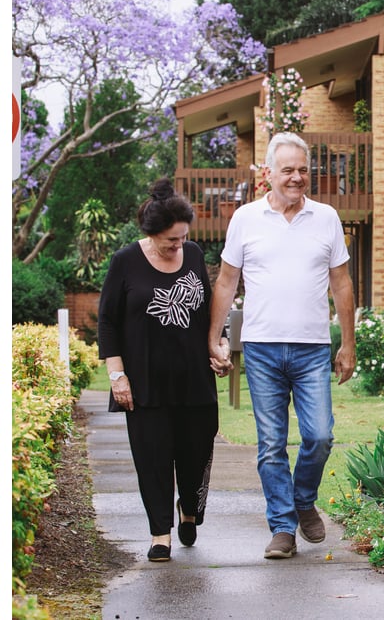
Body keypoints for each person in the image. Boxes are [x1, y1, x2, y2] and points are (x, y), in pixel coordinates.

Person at [208, 131, 357, 560]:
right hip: (262, 348)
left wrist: (348, 343)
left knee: (320, 436)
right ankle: (282, 528)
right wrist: (214, 337)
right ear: (268, 173)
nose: (296, 177)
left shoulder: (326, 217)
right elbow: (226, 282)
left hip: (312, 349)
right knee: (271, 444)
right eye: (288, 170)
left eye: (303, 170)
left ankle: (303, 499)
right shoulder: (245, 219)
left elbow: (342, 283)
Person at [98, 178, 230, 563]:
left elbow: (207, 311)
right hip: (146, 384)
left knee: (195, 454)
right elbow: (107, 322)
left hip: (194, 379)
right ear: (152, 232)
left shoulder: (193, 254)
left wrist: (219, 346)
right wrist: (117, 375)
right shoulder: (125, 261)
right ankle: (160, 534)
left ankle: (189, 509)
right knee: (153, 460)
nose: (179, 246)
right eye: (172, 240)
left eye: (183, 238)